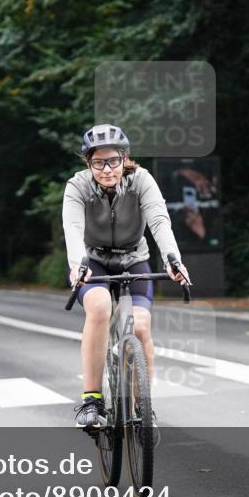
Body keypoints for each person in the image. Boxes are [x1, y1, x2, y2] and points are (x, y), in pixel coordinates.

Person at [63, 124, 189, 428]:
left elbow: (159, 220)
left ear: (124, 158)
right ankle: (91, 400)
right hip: (93, 262)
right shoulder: (77, 186)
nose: (106, 169)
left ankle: (141, 407)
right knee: (100, 308)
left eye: (113, 161)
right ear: (88, 162)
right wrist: (78, 264)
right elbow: (73, 229)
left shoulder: (141, 180)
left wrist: (173, 259)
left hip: (134, 259)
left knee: (142, 327)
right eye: (98, 162)